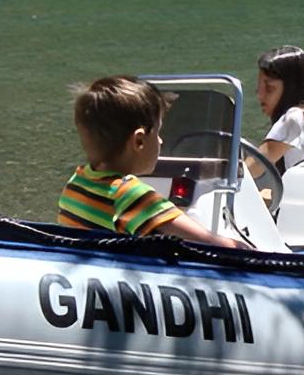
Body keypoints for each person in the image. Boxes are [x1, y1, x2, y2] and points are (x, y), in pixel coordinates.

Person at [58, 76, 243, 248]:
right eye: (158, 133)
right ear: (139, 141)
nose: (161, 141)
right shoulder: (128, 196)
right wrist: (249, 251)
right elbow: (209, 242)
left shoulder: (76, 183)